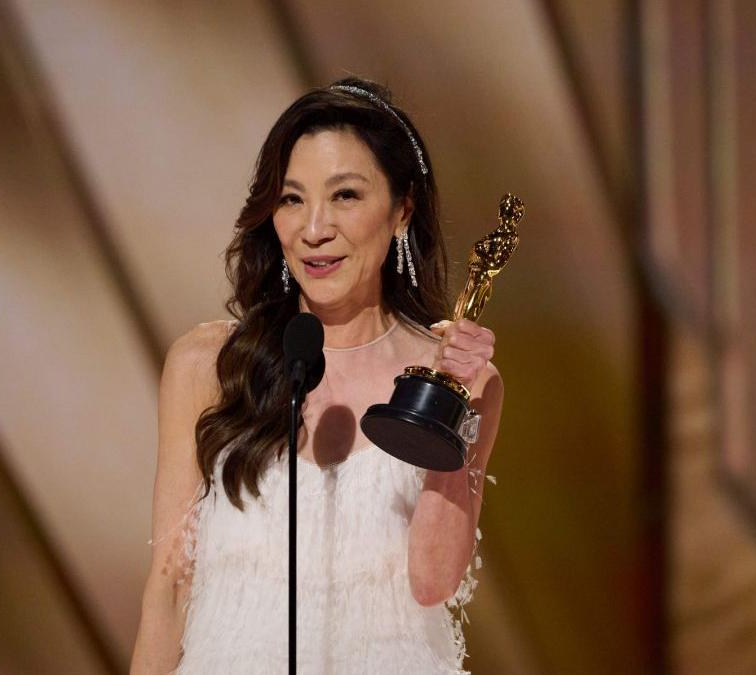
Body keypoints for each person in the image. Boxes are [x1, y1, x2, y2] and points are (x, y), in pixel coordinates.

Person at [130, 76, 504, 674]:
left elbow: (434, 581)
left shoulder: (456, 379)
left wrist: (448, 399)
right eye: (292, 199)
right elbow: (169, 588)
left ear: (402, 210)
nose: (313, 229)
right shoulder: (209, 366)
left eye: (345, 195)